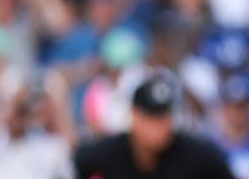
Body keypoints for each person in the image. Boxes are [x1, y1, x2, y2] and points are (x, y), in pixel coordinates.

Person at [73, 75, 234, 178]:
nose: (162, 126)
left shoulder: (197, 156)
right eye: (153, 118)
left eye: (165, 117)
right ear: (135, 116)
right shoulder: (103, 155)